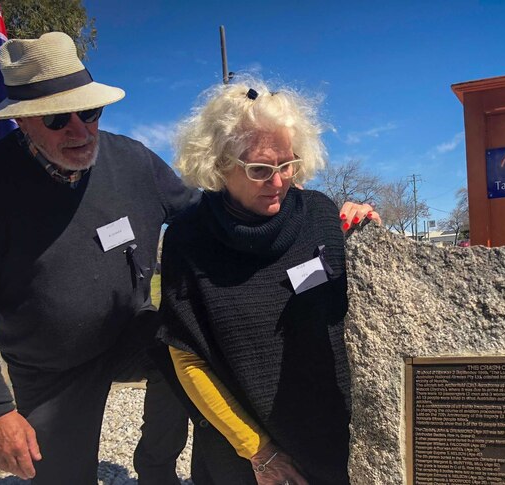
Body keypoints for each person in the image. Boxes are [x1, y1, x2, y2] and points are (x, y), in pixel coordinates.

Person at [0, 32, 195, 484]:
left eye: (90, 112)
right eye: (58, 118)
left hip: (129, 334)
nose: (80, 130)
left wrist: (308, 214)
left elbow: (205, 213)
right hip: (49, 366)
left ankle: (156, 470)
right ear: (24, 122)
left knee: (187, 340)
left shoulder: (134, 161)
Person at [158, 77, 379, 485]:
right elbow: (187, 356)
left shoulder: (320, 216)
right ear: (221, 163)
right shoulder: (187, 240)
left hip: (332, 441)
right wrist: (259, 451)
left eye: (287, 164)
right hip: (243, 453)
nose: (279, 182)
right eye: (260, 169)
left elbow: (355, 314)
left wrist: (370, 243)